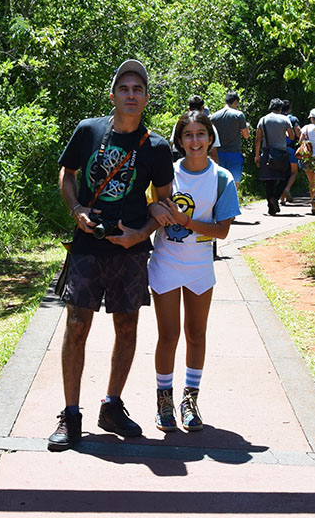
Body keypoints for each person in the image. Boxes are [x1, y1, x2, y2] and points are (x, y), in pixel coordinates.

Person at [49, 59, 175, 451]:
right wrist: (77, 210)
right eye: (125, 89)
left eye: (138, 90)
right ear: (113, 95)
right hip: (87, 245)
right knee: (76, 327)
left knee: (126, 329)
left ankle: (112, 406)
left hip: (131, 251)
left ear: (146, 98)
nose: (131, 95)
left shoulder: (156, 147)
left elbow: (166, 202)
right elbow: (67, 174)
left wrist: (140, 233)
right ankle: (70, 415)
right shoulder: (88, 131)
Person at [148, 110, 240, 432]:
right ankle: (164, 401)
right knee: (168, 335)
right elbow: (150, 204)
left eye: (201, 134)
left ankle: (190, 400)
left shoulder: (222, 179)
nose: (195, 140)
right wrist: (155, 209)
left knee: (196, 335)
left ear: (211, 138)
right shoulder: (166, 174)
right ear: (179, 141)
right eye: (188, 135)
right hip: (166, 263)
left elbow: (223, 230)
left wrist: (187, 222)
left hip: (200, 266)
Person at [254, 99, 294, 215]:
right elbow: (291, 137)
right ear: (280, 108)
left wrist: (257, 155)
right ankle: (275, 197)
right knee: (286, 176)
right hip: (281, 152)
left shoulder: (263, 120)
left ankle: (270, 208)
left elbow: (258, 139)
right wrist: (284, 133)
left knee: (269, 181)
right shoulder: (285, 119)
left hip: (267, 152)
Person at [210, 91, 250, 191]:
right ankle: (232, 201)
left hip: (218, 154)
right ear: (235, 101)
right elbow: (246, 135)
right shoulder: (239, 115)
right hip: (234, 153)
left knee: (219, 181)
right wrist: (247, 127)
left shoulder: (213, 116)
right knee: (235, 181)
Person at [171, 95, 220, 163]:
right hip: (199, 157)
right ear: (202, 108)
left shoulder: (180, 124)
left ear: (188, 109)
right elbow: (213, 153)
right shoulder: (209, 126)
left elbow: (172, 144)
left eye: (200, 134)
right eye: (188, 135)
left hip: (178, 156)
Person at [280, 100, 301, 205]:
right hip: (291, 149)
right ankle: (287, 189)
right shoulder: (293, 119)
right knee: (294, 171)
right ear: (289, 109)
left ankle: (281, 198)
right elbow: (298, 134)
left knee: (281, 172)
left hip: (279, 149)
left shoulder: (277, 118)